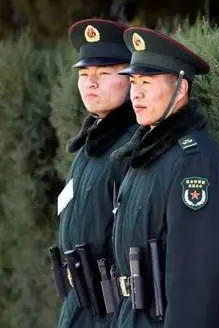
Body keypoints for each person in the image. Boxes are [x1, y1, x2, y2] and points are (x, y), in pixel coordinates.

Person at [110, 27, 219, 327]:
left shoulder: (195, 164)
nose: (136, 93)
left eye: (147, 82)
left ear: (181, 89)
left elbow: (198, 290)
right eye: (133, 82)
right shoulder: (147, 155)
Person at [51, 18, 137, 327]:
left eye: (103, 73)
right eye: (84, 74)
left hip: (114, 311)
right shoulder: (87, 148)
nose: (91, 83)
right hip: (79, 307)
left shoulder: (132, 146)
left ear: (130, 78)